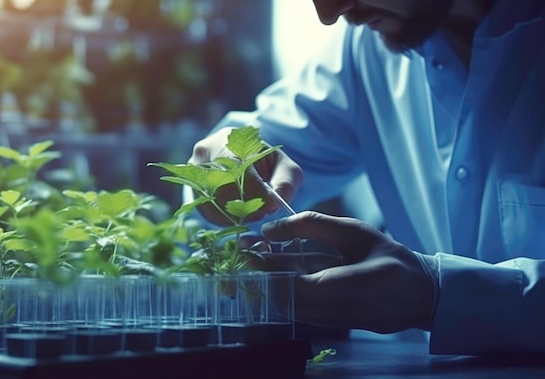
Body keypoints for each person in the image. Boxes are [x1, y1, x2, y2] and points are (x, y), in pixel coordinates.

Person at [188, 0, 545, 355]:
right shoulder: (368, 50)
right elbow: (251, 154)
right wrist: (217, 177)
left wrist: (437, 295)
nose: (329, 13)